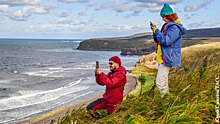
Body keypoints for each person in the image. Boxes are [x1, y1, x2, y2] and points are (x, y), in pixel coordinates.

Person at [150, 3, 186, 97]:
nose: (163, 19)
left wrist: (157, 31)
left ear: (170, 16)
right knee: (164, 81)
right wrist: (154, 31)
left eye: (164, 17)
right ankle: (167, 100)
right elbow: (158, 40)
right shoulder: (166, 26)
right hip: (162, 57)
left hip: (167, 57)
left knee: (159, 82)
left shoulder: (174, 28)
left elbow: (166, 41)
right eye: (162, 17)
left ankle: (166, 101)